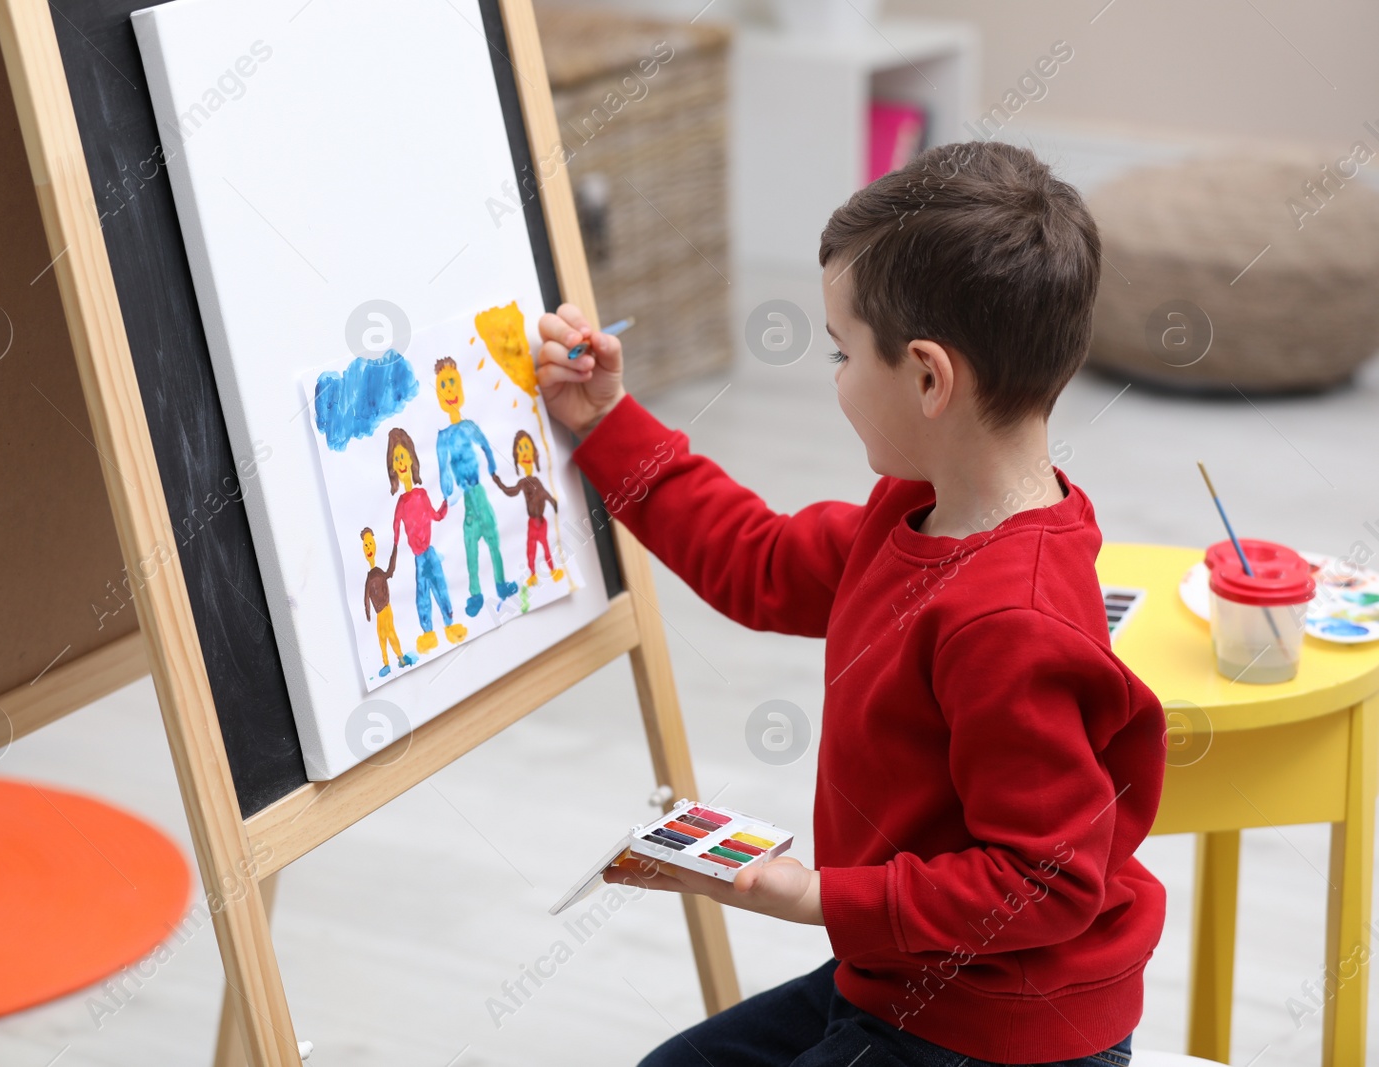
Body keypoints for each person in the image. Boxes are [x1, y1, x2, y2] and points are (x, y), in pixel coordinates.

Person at [533, 140, 1166, 1067]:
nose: (832, 378)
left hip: (999, 1028)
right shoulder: (914, 513)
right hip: (905, 973)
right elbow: (757, 561)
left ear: (927, 376)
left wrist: (819, 897)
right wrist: (605, 423)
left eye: (840, 351)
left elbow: (1046, 879)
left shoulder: (1010, 620)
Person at [433, 357, 520, 616]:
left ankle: (501, 584)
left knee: (493, 539)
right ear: (438, 395)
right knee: (470, 546)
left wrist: (493, 466)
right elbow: (442, 469)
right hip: (468, 498)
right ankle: (476, 594)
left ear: (460, 388)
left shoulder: (470, 426)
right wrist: (448, 489)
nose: (449, 390)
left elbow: (485, 445)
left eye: (452, 383)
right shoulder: (443, 437)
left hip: (480, 493)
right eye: (443, 386)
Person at [387, 426, 466, 654]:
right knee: (422, 593)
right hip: (418, 557)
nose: (401, 462)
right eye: (396, 459)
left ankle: (450, 624)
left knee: (440, 586)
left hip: (429, 553)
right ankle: (428, 632)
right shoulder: (401, 503)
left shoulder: (421, 495)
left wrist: (445, 505)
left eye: (403, 456)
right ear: (393, 468)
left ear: (411, 460)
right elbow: (395, 531)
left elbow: (435, 515)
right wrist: (392, 556)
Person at [491, 429, 563, 586]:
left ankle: (552, 569)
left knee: (545, 546)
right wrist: (499, 483)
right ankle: (532, 574)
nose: (524, 453)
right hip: (532, 523)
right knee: (531, 550)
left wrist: (554, 503)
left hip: (542, 522)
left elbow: (545, 494)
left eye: (527, 448)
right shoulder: (523, 483)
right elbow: (512, 491)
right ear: (517, 457)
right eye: (521, 450)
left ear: (534, 453)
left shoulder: (537, 481)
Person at [358, 526, 415, 677]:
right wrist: (368, 611)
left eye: (370, 544)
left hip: (386, 610)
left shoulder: (379, 573)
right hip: (379, 613)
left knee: (389, 633)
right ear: (364, 550)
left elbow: (391, 570)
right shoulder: (369, 577)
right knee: (381, 637)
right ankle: (387, 663)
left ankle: (400, 658)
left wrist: (395, 548)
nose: (368, 548)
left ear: (375, 546)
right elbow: (366, 596)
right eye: (366, 545)